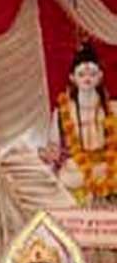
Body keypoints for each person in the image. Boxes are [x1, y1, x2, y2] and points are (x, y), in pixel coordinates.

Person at [39, 42, 117, 205]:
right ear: (72, 78)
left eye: (92, 74)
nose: (87, 78)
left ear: (100, 76)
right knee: (66, 177)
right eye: (81, 74)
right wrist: (48, 153)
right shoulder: (62, 112)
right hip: (76, 169)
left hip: (106, 166)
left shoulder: (113, 108)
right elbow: (54, 147)